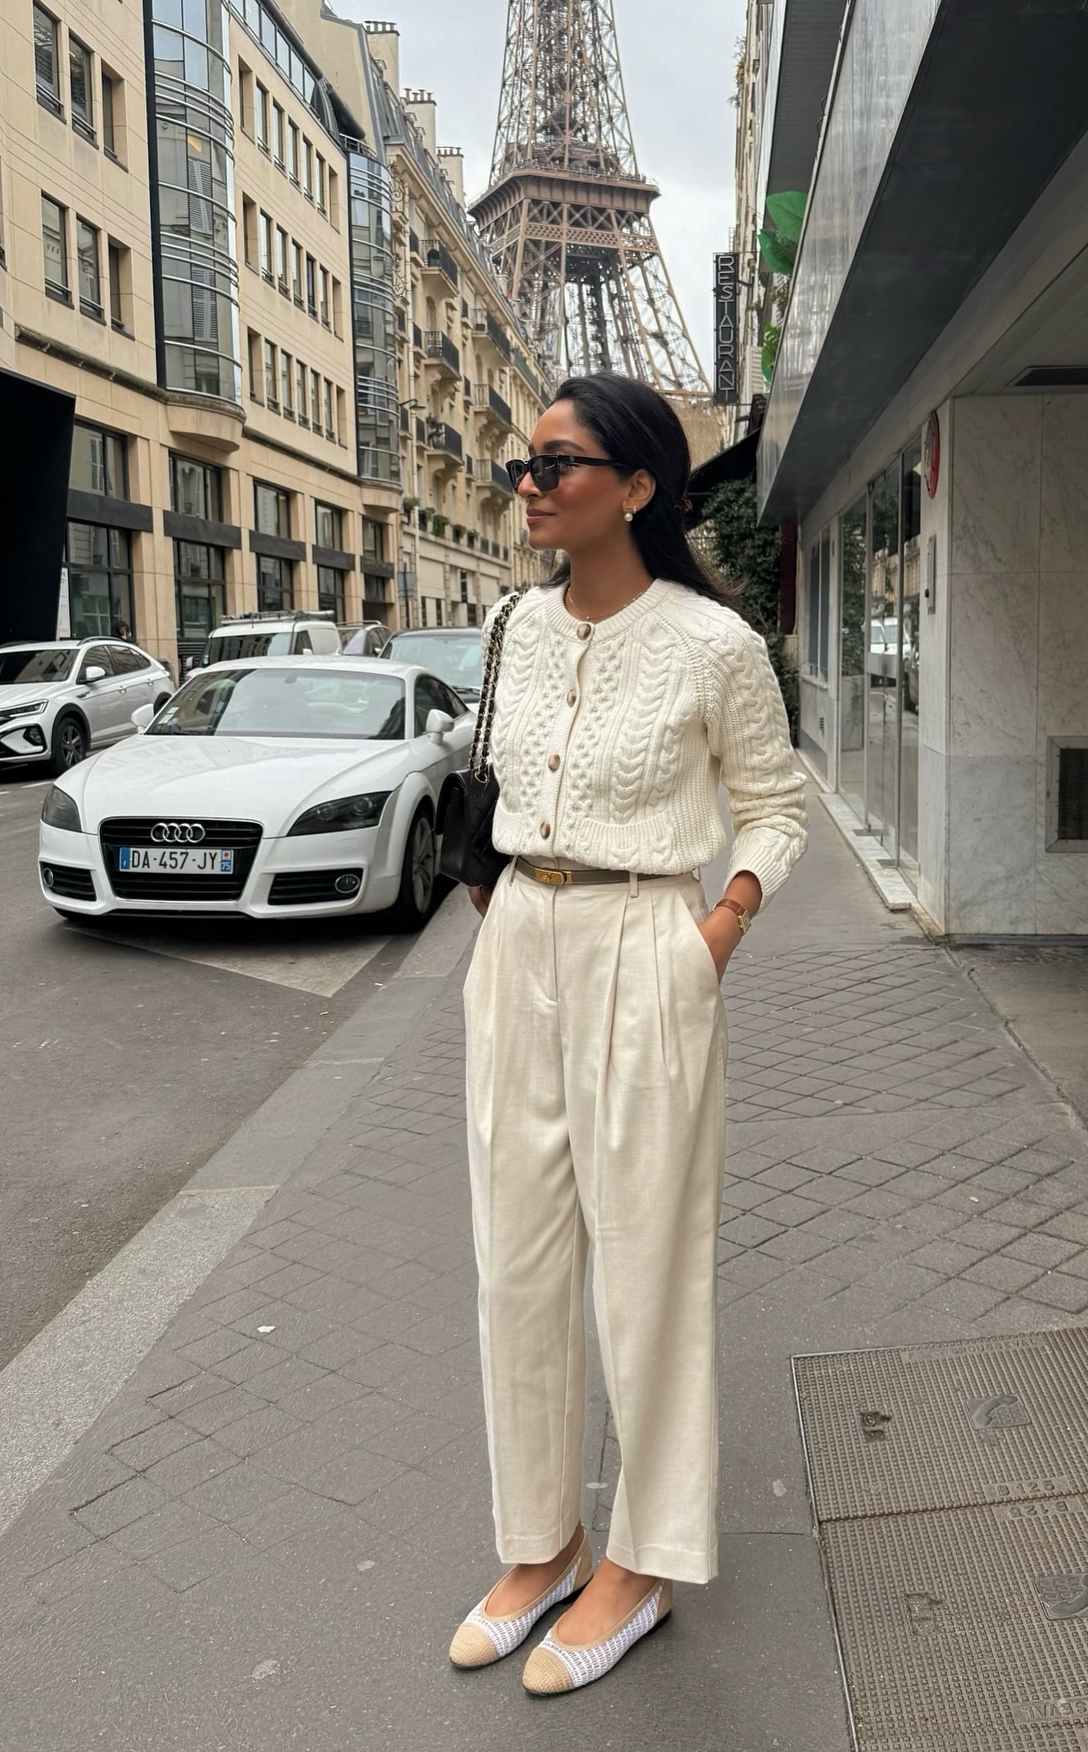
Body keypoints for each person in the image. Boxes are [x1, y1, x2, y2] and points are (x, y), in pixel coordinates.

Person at [452, 371, 807, 1694]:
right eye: (525, 463)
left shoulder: (713, 645)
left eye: (558, 464)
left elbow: (775, 805)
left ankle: (643, 1564)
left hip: (646, 944)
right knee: (517, 1266)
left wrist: (716, 930)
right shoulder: (510, 625)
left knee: (647, 1269)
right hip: (518, 944)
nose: (530, 484)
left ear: (639, 486)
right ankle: (542, 1544)